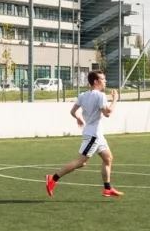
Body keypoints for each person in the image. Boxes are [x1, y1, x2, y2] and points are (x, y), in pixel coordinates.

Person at [46, 70, 124, 198]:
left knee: (108, 158)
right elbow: (108, 113)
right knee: (80, 162)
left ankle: (107, 188)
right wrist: (115, 99)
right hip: (93, 136)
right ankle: (52, 178)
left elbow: (72, 111)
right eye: (103, 79)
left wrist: (78, 118)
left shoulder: (83, 95)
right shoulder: (100, 95)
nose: (105, 81)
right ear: (96, 81)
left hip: (96, 135)